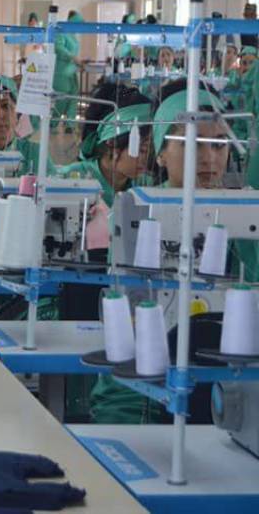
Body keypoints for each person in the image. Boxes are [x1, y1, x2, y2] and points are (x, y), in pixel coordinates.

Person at [90, 80, 257, 424]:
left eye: (219, 144)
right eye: (192, 143)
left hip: (228, 394)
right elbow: (134, 328)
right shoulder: (135, 214)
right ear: (161, 153)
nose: (209, 158)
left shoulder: (246, 221)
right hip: (139, 395)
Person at [58, 84, 152, 207]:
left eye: (152, 150)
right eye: (143, 150)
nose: (148, 159)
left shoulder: (147, 186)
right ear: (112, 143)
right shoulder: (70, 180)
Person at [52, 11, 83, 127]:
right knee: (62, 98)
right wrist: (72, 57)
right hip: (61, 72)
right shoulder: (62, 32)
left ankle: (70, 124)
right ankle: (53, 123)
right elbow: (58, 48)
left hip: (71, 72)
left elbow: (73, 52)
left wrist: (78, 62)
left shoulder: (73, 36)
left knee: (73, 97)